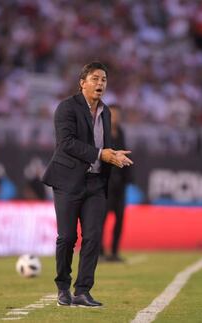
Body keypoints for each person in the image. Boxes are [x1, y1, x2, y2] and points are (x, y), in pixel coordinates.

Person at [42, 62, 133, 307]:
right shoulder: (66, 108)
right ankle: (63, 287)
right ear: (82, 83)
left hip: (95, 182)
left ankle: (82, 291)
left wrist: (113, 156)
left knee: (93, 237)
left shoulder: (106, 112)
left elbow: (104, 146)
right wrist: (101, 154)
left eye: (103, 79)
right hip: (68, 181)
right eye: (95, 78)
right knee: (67, 237)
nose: (100, 83)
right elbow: (67, 143)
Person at [100, 104, 131, 262]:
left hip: (119, 185)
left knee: (119, 219)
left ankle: (114, 252)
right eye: (113, 114)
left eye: (118, 114)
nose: (116, 117)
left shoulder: (121, 132)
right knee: (101, 219)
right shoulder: (101, 132)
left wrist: (127, 178)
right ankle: (99, 252)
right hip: (105, 183)